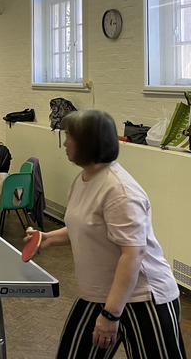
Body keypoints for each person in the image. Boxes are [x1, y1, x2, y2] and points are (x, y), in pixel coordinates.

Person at [26, 109, 186, 359]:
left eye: (69, 137)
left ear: (89, 142)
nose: (65, 143)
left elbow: (133, 253)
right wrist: (49, 238)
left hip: (145, 298)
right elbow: (87, 227)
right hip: (98, 293)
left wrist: (111, 314)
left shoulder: (119, 190)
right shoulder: (83, 180)